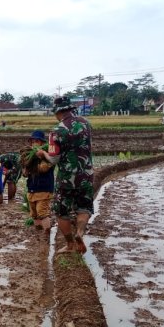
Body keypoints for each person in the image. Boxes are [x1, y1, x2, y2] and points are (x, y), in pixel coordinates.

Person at [36, 97, 93, 254]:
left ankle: (69, 244)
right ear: (70, 109)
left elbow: (54, 159)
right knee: (84, 207)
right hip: (86, 174)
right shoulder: (86, 123)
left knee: (62, 211)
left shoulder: (56, 131)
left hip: (67, 177)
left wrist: (43, 153)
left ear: (58, 112)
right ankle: (80, 233)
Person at [22, 130, 55, 232]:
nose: (34, 143)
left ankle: (47, 236)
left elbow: (43, 168)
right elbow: (24, 173)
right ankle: (38, 234)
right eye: (32, 141)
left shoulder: (48, 155)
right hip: (32, 189)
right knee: (34, 215)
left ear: (42, 143)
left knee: (42, 213)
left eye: (37, 141)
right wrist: (26, 166)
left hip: (44, 188)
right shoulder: (29, 156)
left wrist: (39, 156)